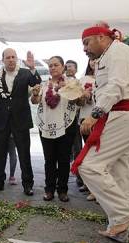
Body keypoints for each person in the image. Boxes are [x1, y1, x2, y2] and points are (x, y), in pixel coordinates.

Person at [71, 25, 129, 243]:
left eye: (86, 42)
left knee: (89, 166)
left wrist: (94, 114)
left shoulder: (118, 51)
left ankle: (124, 214)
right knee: (121, 172)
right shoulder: (107, 56)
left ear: (101, 37)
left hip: (123, 116)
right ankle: (119, 229)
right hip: (120, 117)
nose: (84, 49)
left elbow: (117, 86)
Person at [0, 49, 42, 195]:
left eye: (13, 57)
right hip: (1, 120)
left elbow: (37, 82)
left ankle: (28, 184)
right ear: (2, 59)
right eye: (7, 57)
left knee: (24, 154)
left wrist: (33, 67)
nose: (10, 60)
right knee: (0, 154)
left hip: (20, 119)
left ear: (17, 59)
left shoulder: (25, 73)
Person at [31, 56, 81, 202]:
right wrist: (34, 94)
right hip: (46, 126)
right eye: (51, 65)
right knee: (49, 160)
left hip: (66, 126)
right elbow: (35, 101)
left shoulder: (72, 83)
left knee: (64, 159)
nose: (53, 68)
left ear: (63, 66)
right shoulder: (44, 84)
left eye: (56, 65)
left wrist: (67, 88)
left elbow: (80, 101)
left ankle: (63, 190)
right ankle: (49, 189)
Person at [79, 58, 97, 201]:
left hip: (104, 120)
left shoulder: (108, 76)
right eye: (92, 59)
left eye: (97, 58)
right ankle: (90, 185)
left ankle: (100, 190)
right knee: (89, 153)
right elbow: (77, 102)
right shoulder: (83, 79)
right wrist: (84, 97)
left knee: (100, 154)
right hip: (86, 120)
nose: (94, 61)